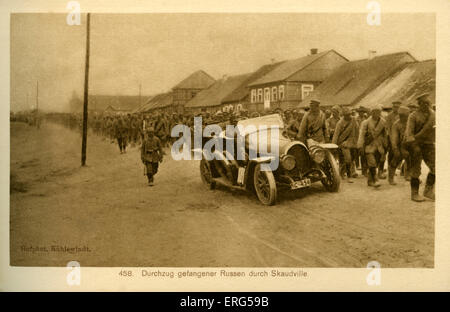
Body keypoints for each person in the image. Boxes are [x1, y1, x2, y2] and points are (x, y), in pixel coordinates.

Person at [404, 93, 435, 202]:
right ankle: (414, 194)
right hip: (416, 144)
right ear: (419, 104)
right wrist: (414, 146)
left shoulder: (433, 115)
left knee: (435, 167)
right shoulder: (413, 116)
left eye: (428, 103)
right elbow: (409, 134)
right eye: (424, 103)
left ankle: (428, 191)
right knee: (416, 170)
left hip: (429, 144)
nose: (427, 105)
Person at [357, 106, 387, 188]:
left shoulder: (383, 122)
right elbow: (361, 135)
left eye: (378, 112)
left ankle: (370, 180)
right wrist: (360, 146)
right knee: (372, 163)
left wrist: (386, 145)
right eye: (375, 112)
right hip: (369, 146)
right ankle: (376, 180)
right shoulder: (365, 122)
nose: (377, 114)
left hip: (379, 146)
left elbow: (385, 134)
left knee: (375, 164)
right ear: (372, 112)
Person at [332, 107, 359, 183]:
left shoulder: (354, 120)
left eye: (350, 114)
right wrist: (334, 145)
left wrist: (358, 142)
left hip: (353, 143)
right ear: (344, 115)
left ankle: (342, 172)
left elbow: (357, 130)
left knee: (351, 159)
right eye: (347, 115)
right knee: (347, 158)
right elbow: (336, 135)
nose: (349, 116)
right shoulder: (340, 123)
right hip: (343, 143)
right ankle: (349, 176)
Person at [388, 106, 410, 185]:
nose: (405, 117)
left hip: (408, 145)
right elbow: (394, 138)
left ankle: (408, 175)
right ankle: (390, 178)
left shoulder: (409, 123)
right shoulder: (396, 124)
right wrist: (395, 148)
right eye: (403, 116)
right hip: (399, 145)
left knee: (409, 160)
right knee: (395, 160)